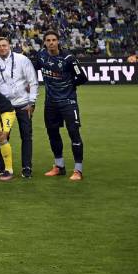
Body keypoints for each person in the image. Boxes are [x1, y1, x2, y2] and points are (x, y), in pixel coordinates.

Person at [34, 31, 87, 181]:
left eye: (54, 40)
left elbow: (82, 77)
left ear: (58, 41)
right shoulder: (41, 56)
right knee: (53, 134)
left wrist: (70, 86)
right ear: (44, 42)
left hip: (68, 102)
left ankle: (78, 170)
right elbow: (32, 70)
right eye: (48, 40)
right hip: (50, 103)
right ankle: (59, 166)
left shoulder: (69, 58)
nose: (51, 42)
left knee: (74, 133)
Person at [0, 36, 38, 178]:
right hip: (4, 107)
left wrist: (32, 102)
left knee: (26, 136)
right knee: (1, 135)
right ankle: (1, 166)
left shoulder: (22, 60)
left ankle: (27, 167)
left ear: (9, 45)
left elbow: (33, 81)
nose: (1, 48)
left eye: (4, 45)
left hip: (23, 104)